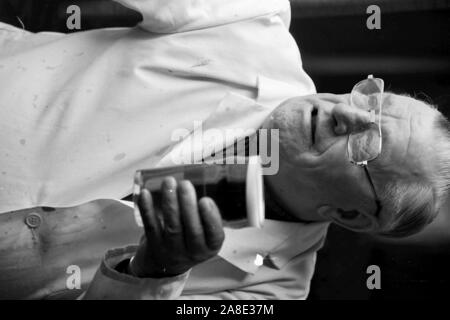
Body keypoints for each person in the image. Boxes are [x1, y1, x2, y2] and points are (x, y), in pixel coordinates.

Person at [0, 0, 448, 299]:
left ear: (352, 215)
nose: (345, 114)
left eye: (369, 141)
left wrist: (153, 273)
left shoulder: (268, 294)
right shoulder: (251, 21)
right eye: (371, 99)